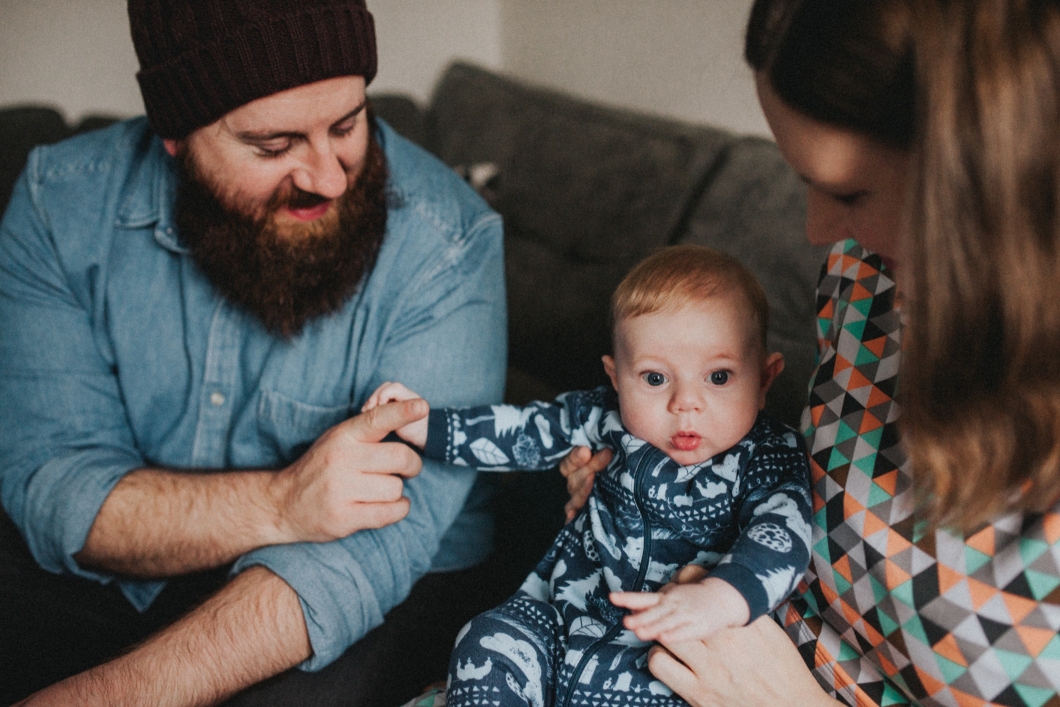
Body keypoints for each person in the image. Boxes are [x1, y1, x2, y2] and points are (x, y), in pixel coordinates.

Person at [0, 1, 506, 704]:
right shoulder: (58, 205)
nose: (329, 177)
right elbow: (55, 485)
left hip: (381, 575)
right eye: (274, 146)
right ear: (176, 135)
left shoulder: (450, 242)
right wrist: (280, 501)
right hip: (140, 565)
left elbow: (375, 543)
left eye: (347, 124)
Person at [561, 1, 1060, 705]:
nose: (818, 229)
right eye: (807, 183)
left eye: (850, 191)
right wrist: (649, 493)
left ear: (989, 180)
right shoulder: (865, 274)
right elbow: (787, 489)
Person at [366, 245, 813, 706]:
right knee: (485, 640)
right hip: (560, 624)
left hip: (660, 664)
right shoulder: (603, 417)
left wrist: (721, 598)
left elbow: (783, 532)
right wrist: (425, 425)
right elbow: (522, 430)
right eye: (655, 379)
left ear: (763, 380)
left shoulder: (769, 456)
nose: (686, 404)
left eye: (718, 377)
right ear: (616, 377)